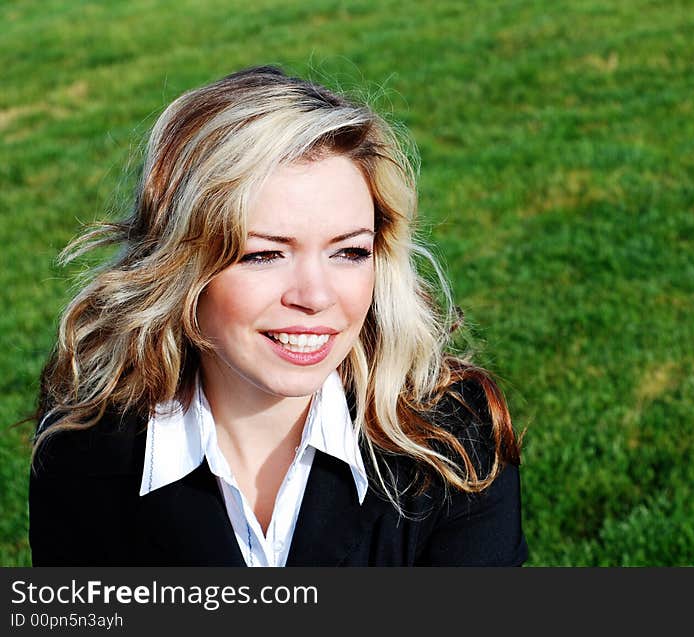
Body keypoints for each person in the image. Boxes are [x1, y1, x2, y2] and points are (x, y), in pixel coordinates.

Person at [28, 66, 527, 566]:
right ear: (180, 267)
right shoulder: (85, 450)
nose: (316, 296)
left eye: (349, 252)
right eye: (264, 254)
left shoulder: (451, 438)